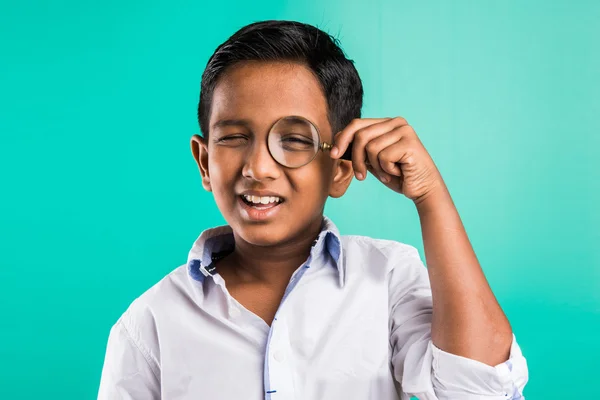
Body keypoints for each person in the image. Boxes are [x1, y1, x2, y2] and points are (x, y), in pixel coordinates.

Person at [98, 20, 528, 400]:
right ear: (204, 160)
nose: (258, 168)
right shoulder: (149, 324)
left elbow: (477, 391)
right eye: (233, 137)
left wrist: (430, 197)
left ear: (340, 168)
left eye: (295, 140)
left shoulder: (388, 278)